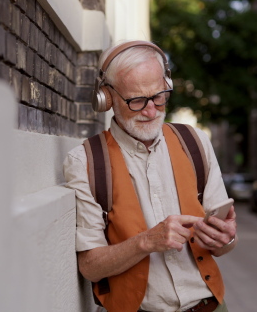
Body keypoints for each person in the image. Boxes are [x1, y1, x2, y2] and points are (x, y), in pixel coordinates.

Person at [63, 40, 237, 312]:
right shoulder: (85, 161)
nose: (151, 110)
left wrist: (226, 239)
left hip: (209, 306)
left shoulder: (196, 142)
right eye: (136, 100)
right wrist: (146, 241)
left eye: (158, 96)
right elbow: (90, 267)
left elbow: (222, 246)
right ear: (107, 98)